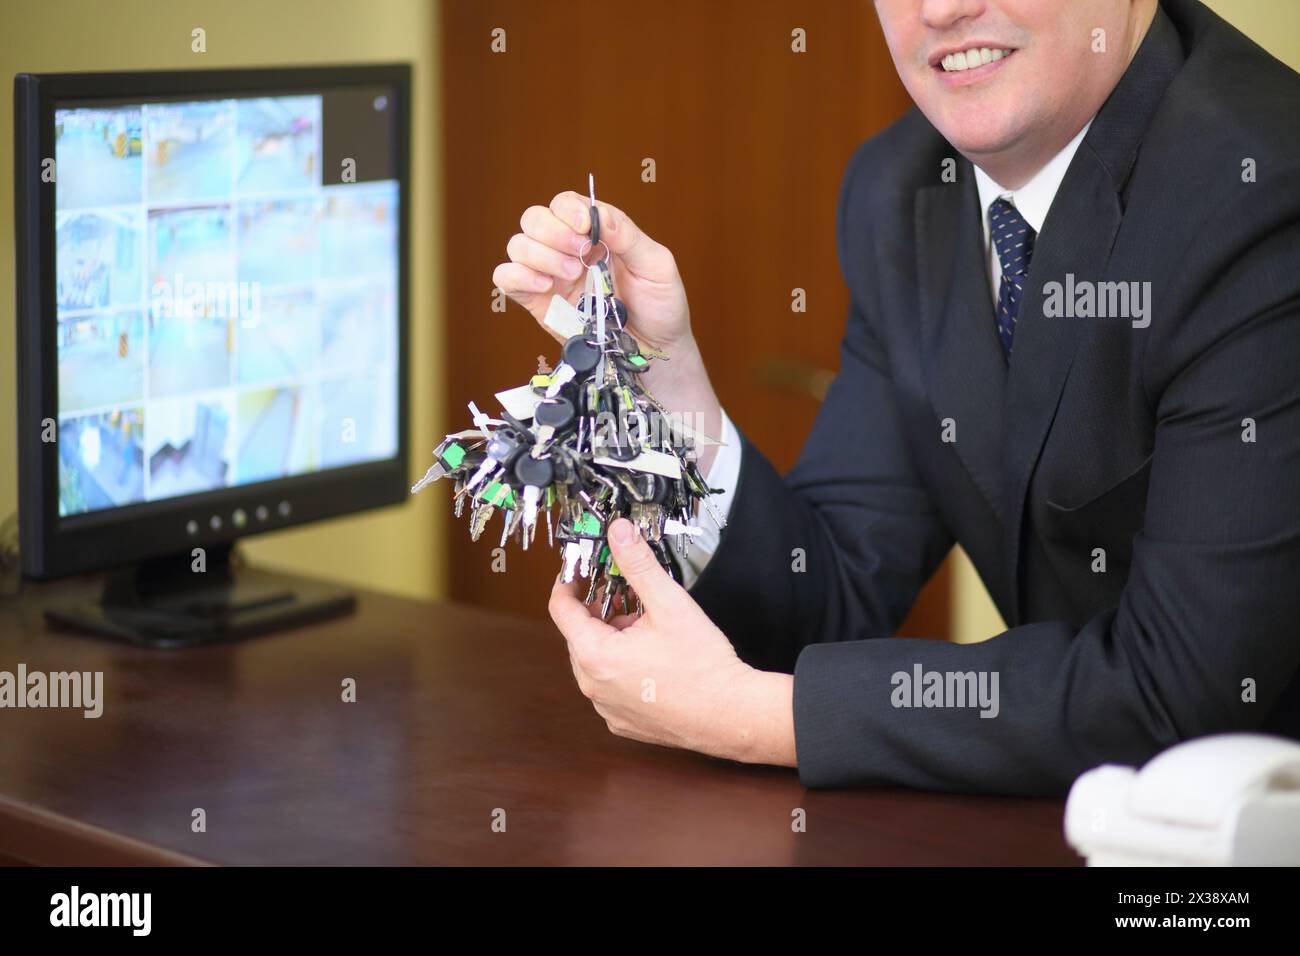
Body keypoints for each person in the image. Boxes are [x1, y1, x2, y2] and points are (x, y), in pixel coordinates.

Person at [492, 0, 1300, 794]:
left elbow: (1185, 686)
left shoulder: (1263, 189)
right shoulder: (899, 186)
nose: (943, 8)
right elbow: (834, 589)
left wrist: (758, 717)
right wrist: (671, 379)